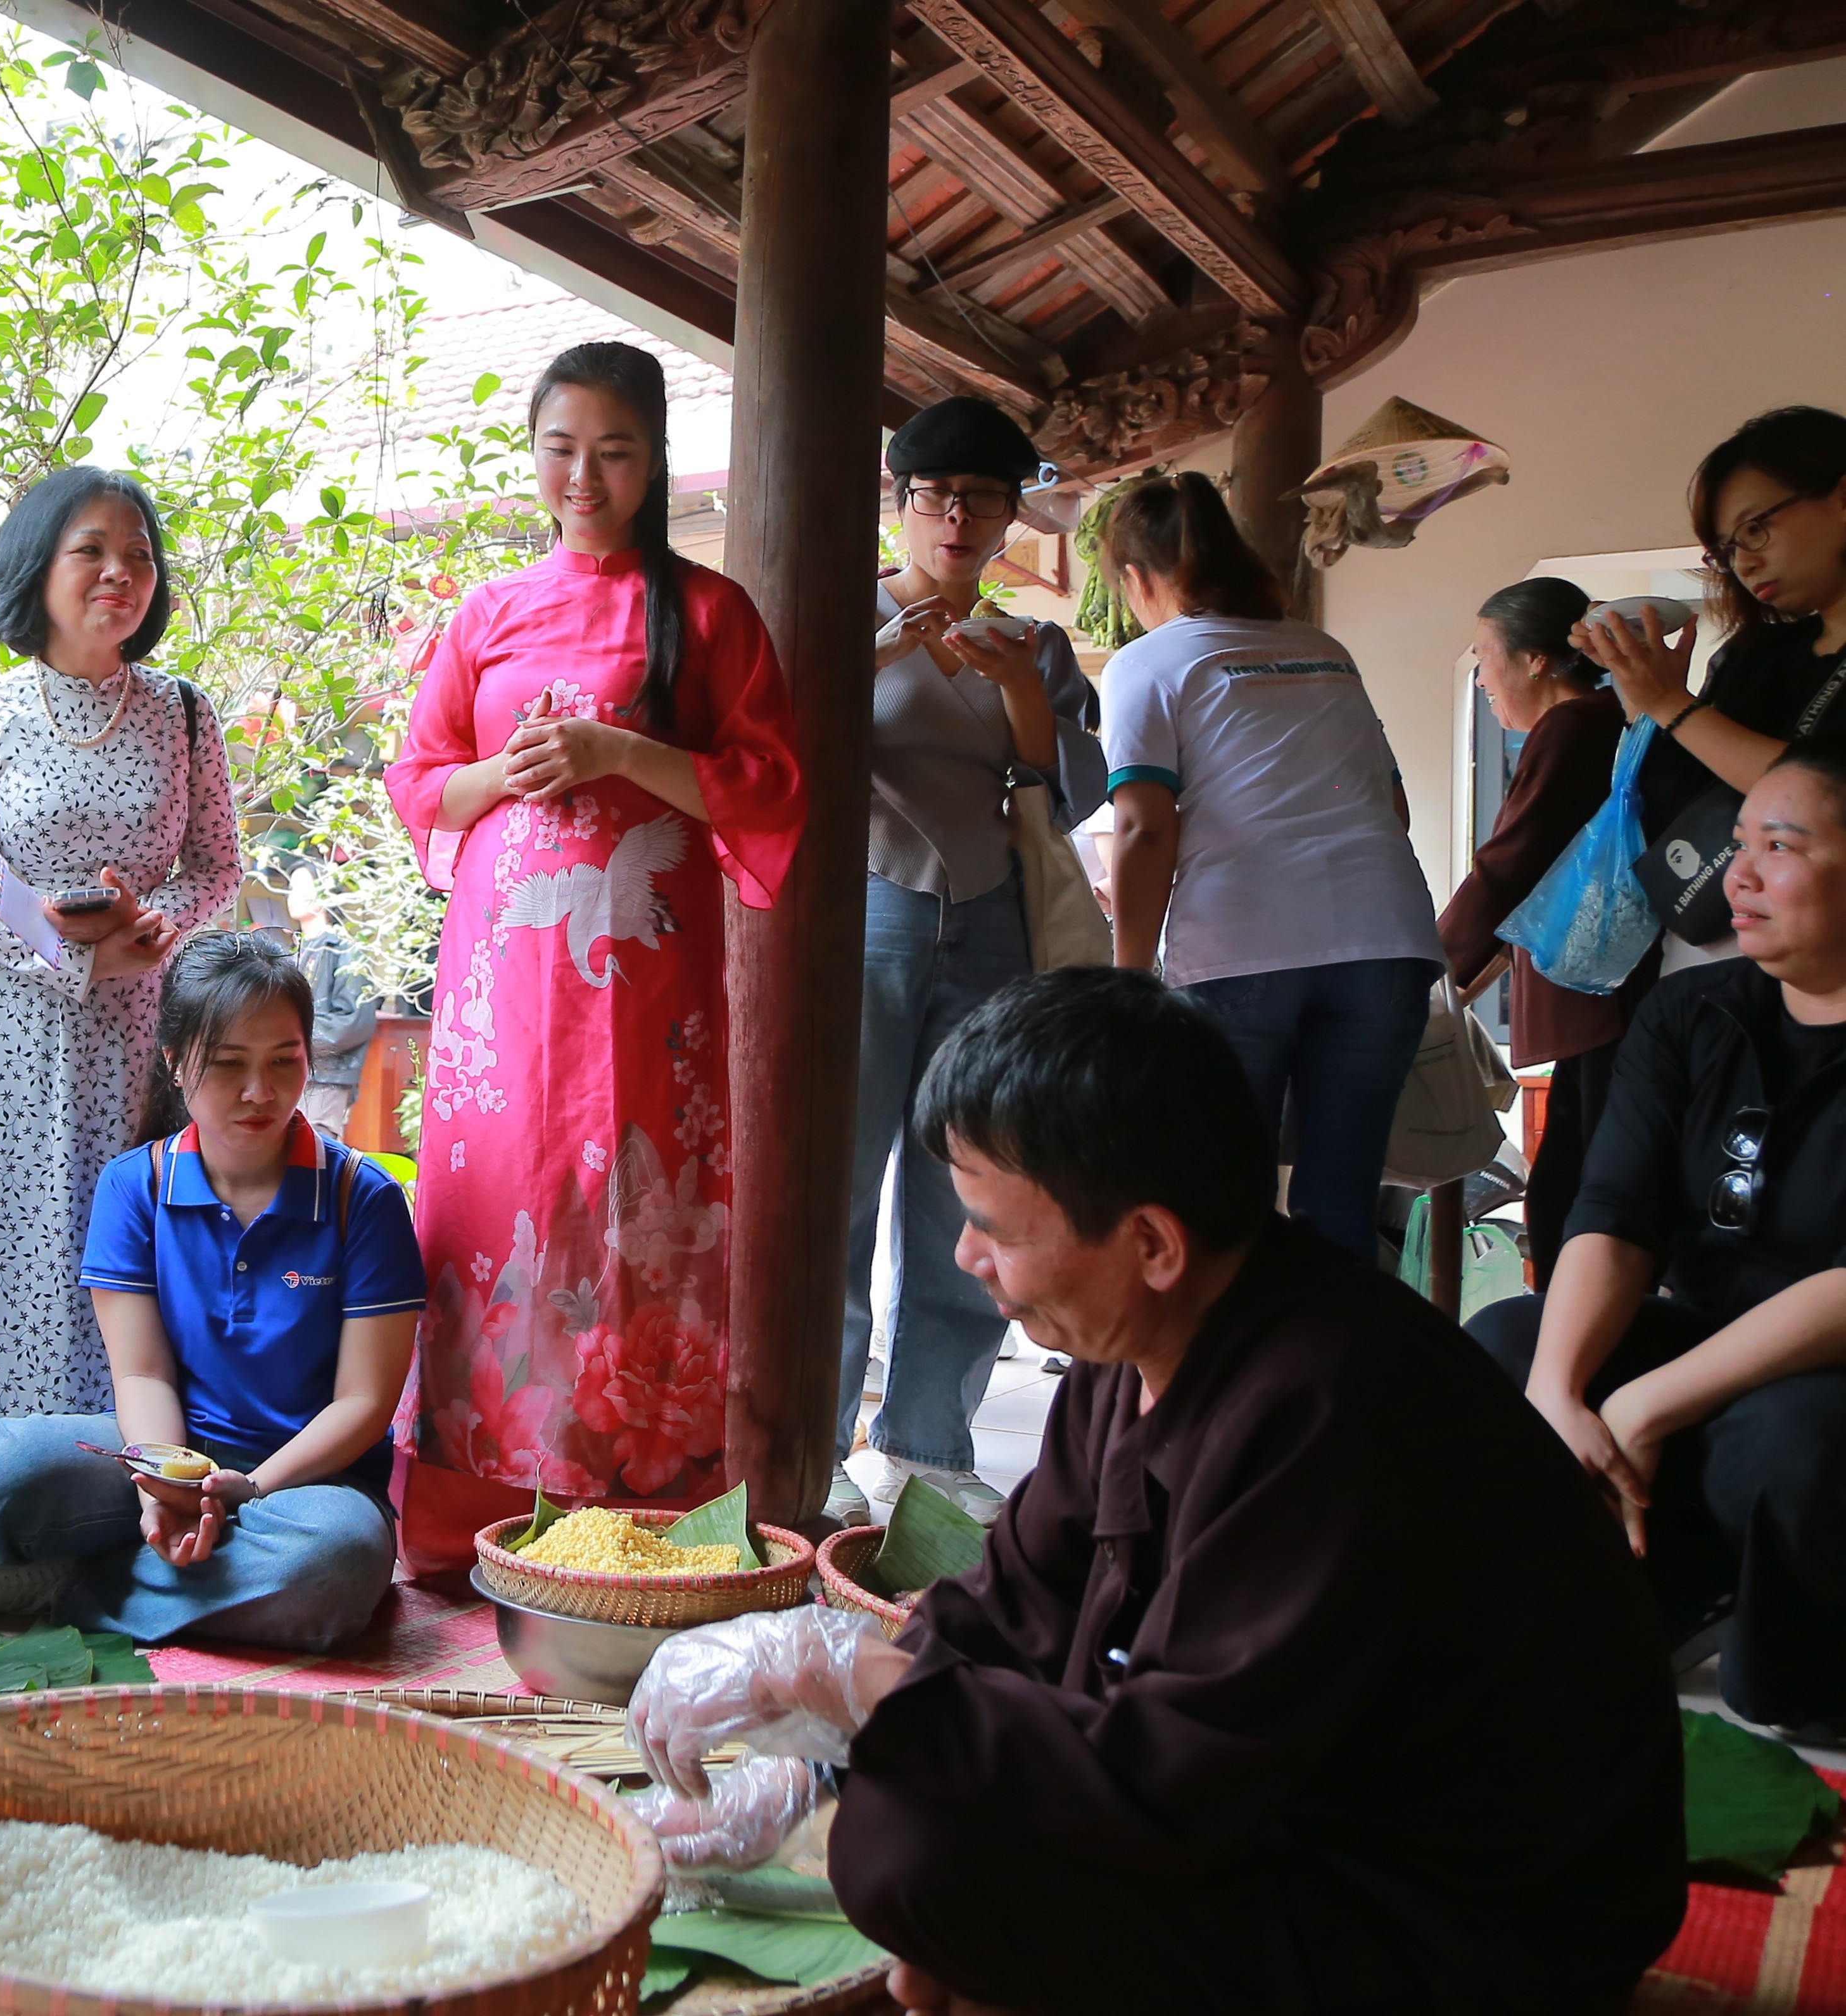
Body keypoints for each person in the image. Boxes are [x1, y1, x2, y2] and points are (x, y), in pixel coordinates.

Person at [626, 967, 1686, 2016]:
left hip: (1474, 1915)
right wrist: (825, 1750)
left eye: (992, 1224)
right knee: (911, 1798)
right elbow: (1011, 1608)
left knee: (914, 1852)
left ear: (1151, 1242)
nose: (964, 1255)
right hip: (1284, 1806)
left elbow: (1169, 1773)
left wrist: (849, 1677)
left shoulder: (1331, 1405)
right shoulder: (1129, 1357)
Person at [383, 340, 803, 1574]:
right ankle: (468, 1520)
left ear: (653, 458)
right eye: (560, 448)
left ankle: (644, 1529)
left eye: (612, 450)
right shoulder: (484, 611)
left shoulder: (710, 613)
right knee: (491, 1214)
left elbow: (766, 783)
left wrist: (621, 756)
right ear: (532, 455)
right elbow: (417, 781)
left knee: (638, 1211)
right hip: (502, 989)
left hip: (650, 980)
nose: (583, 474)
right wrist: (494, 777)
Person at [0, 932, 422, 1651]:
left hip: (306, 1487)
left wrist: (247, 1489)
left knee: (336, 1561)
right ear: (173, 1062)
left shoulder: (361, 1199)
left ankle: (61, 1586)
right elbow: (142, 1373)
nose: (260, 1091)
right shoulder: (136, 1185)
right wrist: (158, 1481)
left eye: (284, 1060)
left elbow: (363, 1404)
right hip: (166, 1450)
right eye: (227, 1065)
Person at [1469, 747, 1846, 1742]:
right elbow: (1617, 1212)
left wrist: (1642, 1400)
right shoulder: (1693, 1011)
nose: (1741, 876)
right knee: (1507, 1349)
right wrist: (1559, 1390)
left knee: (1785, 1443)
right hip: (1708, 1323)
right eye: (1737, 845)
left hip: (1826, 1364)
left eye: (1780, 846)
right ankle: (1645, 1599)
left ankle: (1801, 1670)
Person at [0, 467, 243, 1441]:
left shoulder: (184, 712)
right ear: (38, 568)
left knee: (134, 1247)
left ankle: (129, 1479)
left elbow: (219, 866)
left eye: (139, 556)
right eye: (92, 551)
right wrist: (70, 960)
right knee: (10, 1248)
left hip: (149, 1029)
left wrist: (154, 928)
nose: (121, 573)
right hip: (16, 1033)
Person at [837, 396, 1106, 1529]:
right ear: (901, 506)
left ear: (1007, 516)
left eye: (981, 498)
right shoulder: (842, 616)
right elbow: (776, 762)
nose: (955, 516)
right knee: (838, 1192)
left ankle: (931, 1443)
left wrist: (1021, 700)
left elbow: (1084, 794)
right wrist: (872, 658)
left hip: (994, 925)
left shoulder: (1033, 644)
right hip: (865, 920)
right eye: (933, 495)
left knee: (970, 1188)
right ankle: (814, 1440)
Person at [1098, 470, 1442, 1261]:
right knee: (1340, 1200)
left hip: (1238, 946)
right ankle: (1335, 1382)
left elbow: (1143, 825)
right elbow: (1392, 811)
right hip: (1383, 939)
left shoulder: (1147, 664)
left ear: (1136, 577)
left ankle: (1236, 1378)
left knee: (1224, 1198)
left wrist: (1126, 976)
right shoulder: (1323, 652)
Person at [1582, 406, 1846, 974]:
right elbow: (1675, 798)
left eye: (1755, 528)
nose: (1743, 562)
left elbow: (1825, 796)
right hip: (1710, 957)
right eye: (1725, 550)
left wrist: (1670, 705)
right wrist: (1637, 687)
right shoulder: (1757, 655)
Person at [1438, 579, 1647, 1280]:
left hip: (1600, 997)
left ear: (1535, 660)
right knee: (1570, 1178)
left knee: (1576, 1190)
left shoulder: (1572, 726)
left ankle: (1571, 1345)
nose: (1483, 677)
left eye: (1484, 655)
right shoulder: (1600, 718)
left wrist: (1424, 972)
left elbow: (1510, 866)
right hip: (1602, 993)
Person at [281, 862, 376, 1136]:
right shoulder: (289, 954)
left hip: (327, 1077)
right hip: (291, 1073)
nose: (294, 896)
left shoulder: (346, 950)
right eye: (291, 889)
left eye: (304, 888)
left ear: (325, 892)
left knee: (317, 1157)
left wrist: (294, 1042)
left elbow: (355, 1019)